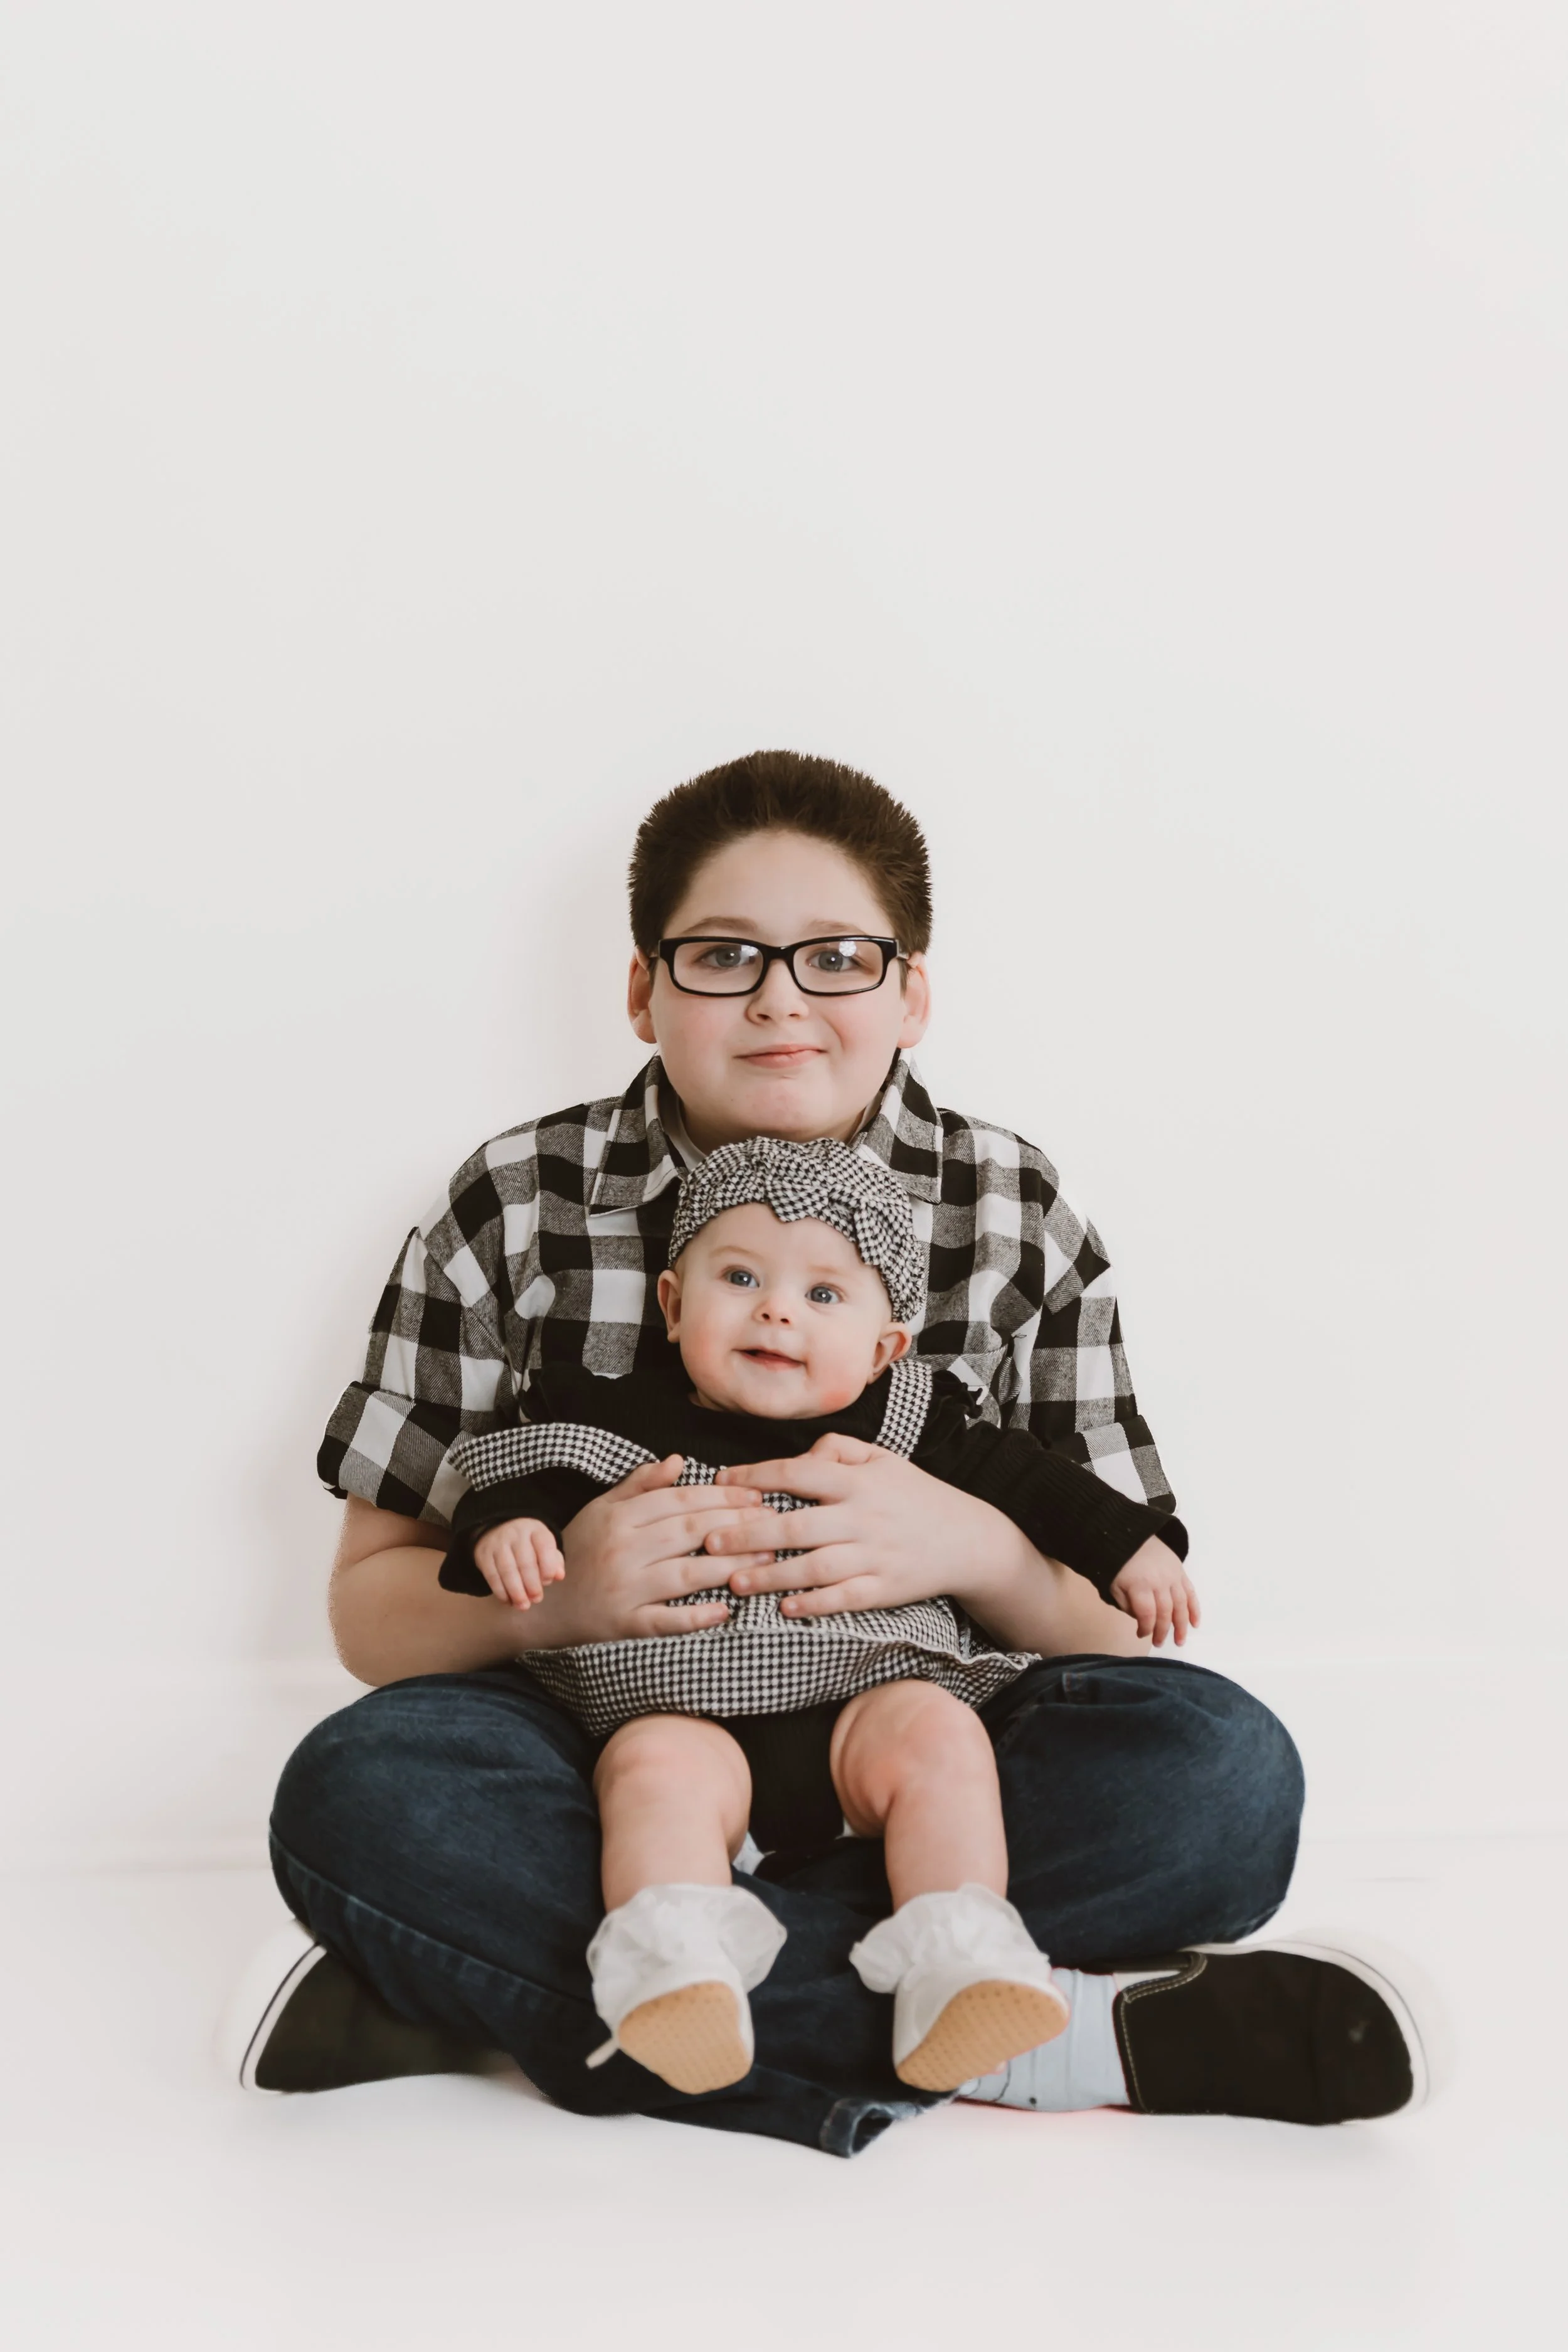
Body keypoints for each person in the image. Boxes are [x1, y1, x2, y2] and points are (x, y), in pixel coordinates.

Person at [231, 749, 1436, 2153]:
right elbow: (372, 1614)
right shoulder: (514, 1201)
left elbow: (1113, 1615)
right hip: (606, 1745)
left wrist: (971, 1544)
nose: (778, 997)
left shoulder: (1009, 1203)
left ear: (911, 991)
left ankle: (524, 2001)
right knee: (360, 1794)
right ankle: (1043, 2032)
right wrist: (564, 1601)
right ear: (641, 988)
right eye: (722, 955)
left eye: (838, 958)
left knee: (1219, 1780)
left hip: (920, 1746)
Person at [442, 1133, 1200, 2098]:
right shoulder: (613, 1415)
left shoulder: (909, 1417)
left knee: (944, 1733)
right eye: (741, 1276)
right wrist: (504, 1535)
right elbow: (520, 1481)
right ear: (673, 1306)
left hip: (862, 1717)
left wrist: (1131, 1547)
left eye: (824, 1295)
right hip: (684, 1713)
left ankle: (958, 1958)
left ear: (885, 1349)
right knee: (648, 1769)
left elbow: (1035, 1485)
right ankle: (675, 1965)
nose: (776, 1310)